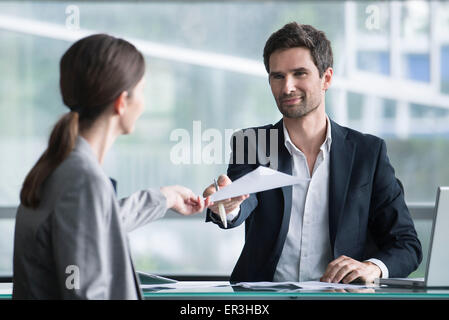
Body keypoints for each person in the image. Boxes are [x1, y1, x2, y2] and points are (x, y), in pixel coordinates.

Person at [203, 22, 422, 284]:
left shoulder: (368, 153)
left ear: (326, 78)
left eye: (299, 74)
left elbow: (407, 244)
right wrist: (226, 205)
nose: (287, 87)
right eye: (278, 76)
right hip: (265, 299)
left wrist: (371, 268)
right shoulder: (252, 142)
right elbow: (242, 201)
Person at [13, 34, 208, 299]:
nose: (144, 103)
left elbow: (93, 225)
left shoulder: (62, 165)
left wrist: (166, 197)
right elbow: (82, 289)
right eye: (142, 91)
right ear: (121, 102)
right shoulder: (83, 180)